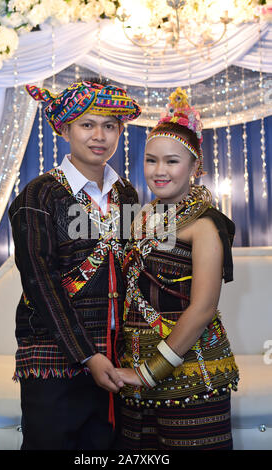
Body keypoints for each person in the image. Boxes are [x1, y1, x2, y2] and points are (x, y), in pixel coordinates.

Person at [8, 78, 141, 450]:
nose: (100, 136)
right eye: (87, 124)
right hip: (54, 359)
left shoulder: (125, 193)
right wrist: (87, 354)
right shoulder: (40, 194)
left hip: (116, 358)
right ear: (65, 129)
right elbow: (41, 282)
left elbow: (131, 269)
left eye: (110, 125)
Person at [116, 87, 240, 450]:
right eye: (151, 160)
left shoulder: (205, 225)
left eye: (172, 161)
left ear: (194, 167)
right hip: (132, 374)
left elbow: (202, 309)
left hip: (192, 376)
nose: (159, 170)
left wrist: (148, 373)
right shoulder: (137, 219)